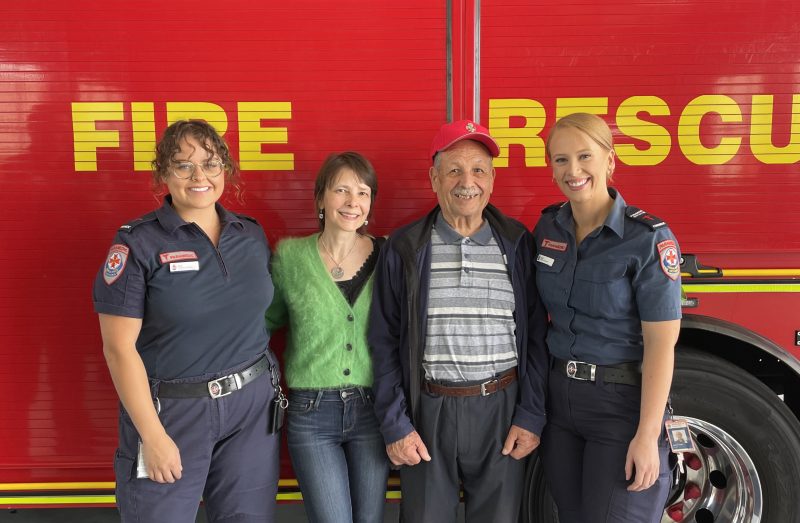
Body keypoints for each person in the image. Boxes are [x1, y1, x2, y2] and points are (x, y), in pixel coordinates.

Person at [92, 120, 281, 523]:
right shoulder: (137, 244)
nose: (200, 177)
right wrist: (153, 435)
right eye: (183, 165)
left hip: (251, 410)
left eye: (211, 164)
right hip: (174, 413)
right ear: (163, 173)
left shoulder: (249, 235)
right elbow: (118, 348)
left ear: (225, 170)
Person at [368, 120, 549, 522]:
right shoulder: (405, 247)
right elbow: (382, 342)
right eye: (454, 170)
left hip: (502, 410)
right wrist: (395, 424)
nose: (467, 181)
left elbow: (537, 336)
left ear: (492, 179)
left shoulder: (518, 243)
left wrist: (531, 415)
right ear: (434, 179)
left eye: (479, 170)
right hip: (428, 411)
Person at [533, 112, 682, 523]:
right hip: (559, 405)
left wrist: (648, 435)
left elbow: (660, 345)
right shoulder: (549, 227)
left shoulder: (647, 239)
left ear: (610, 161)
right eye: (560, 160)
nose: (573, 170)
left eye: (585, 156)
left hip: (619, 406)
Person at [265, 152, 389, 523]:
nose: (353, 202)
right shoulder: (289, 257)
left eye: (363, 193)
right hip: (311, 414)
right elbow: (262, 325)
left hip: (373, 411)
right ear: (321, 198)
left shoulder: (389, 254)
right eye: (342, 190)